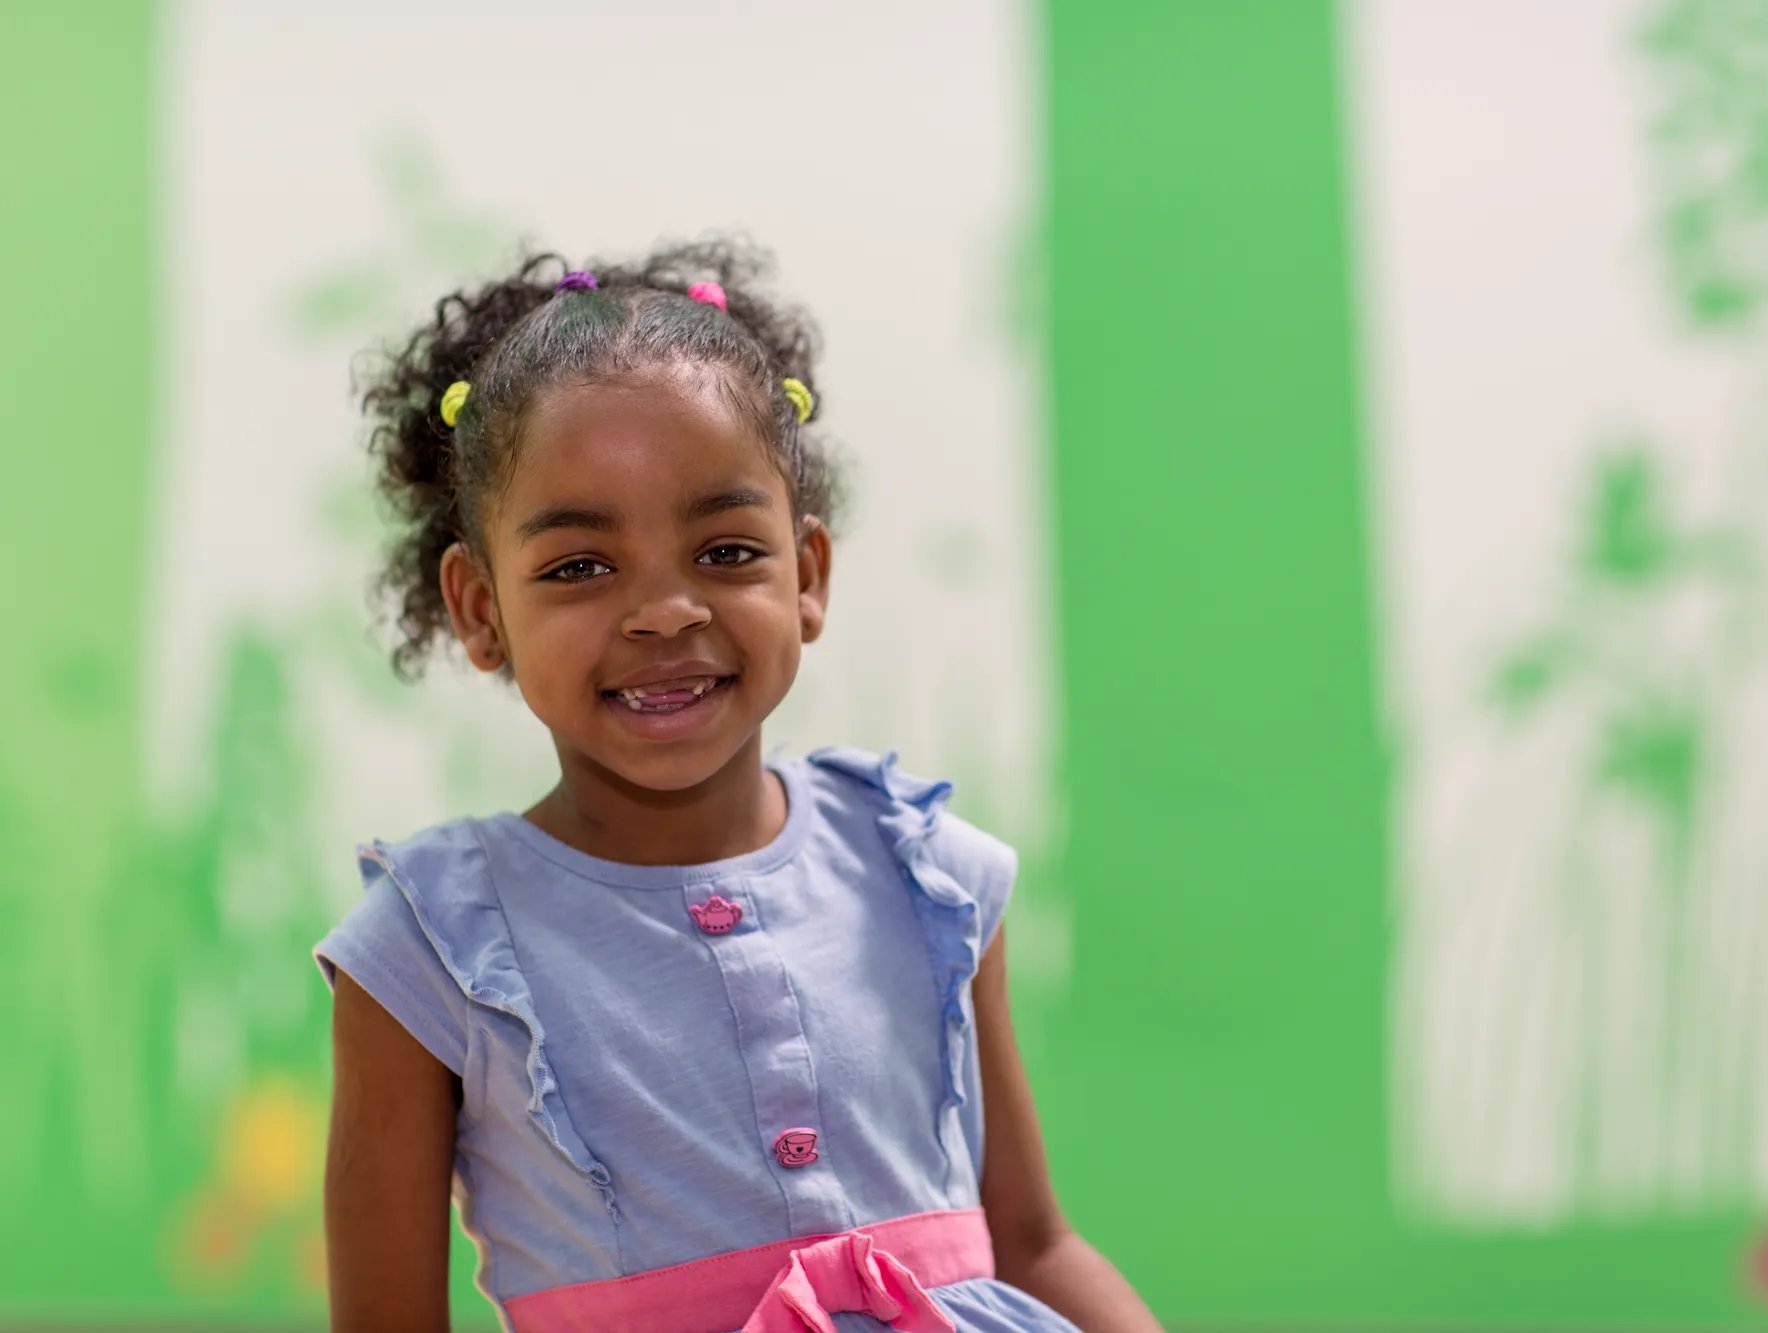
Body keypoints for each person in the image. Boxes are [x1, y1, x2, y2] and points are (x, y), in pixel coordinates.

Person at [312, 240, 1160, 1333]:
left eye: (724, 551)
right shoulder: (425, 951)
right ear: (479, 610)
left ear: (806, 573)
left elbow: (1034, 1242)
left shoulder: (924, 875)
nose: (664, 610)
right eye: (578, 566)